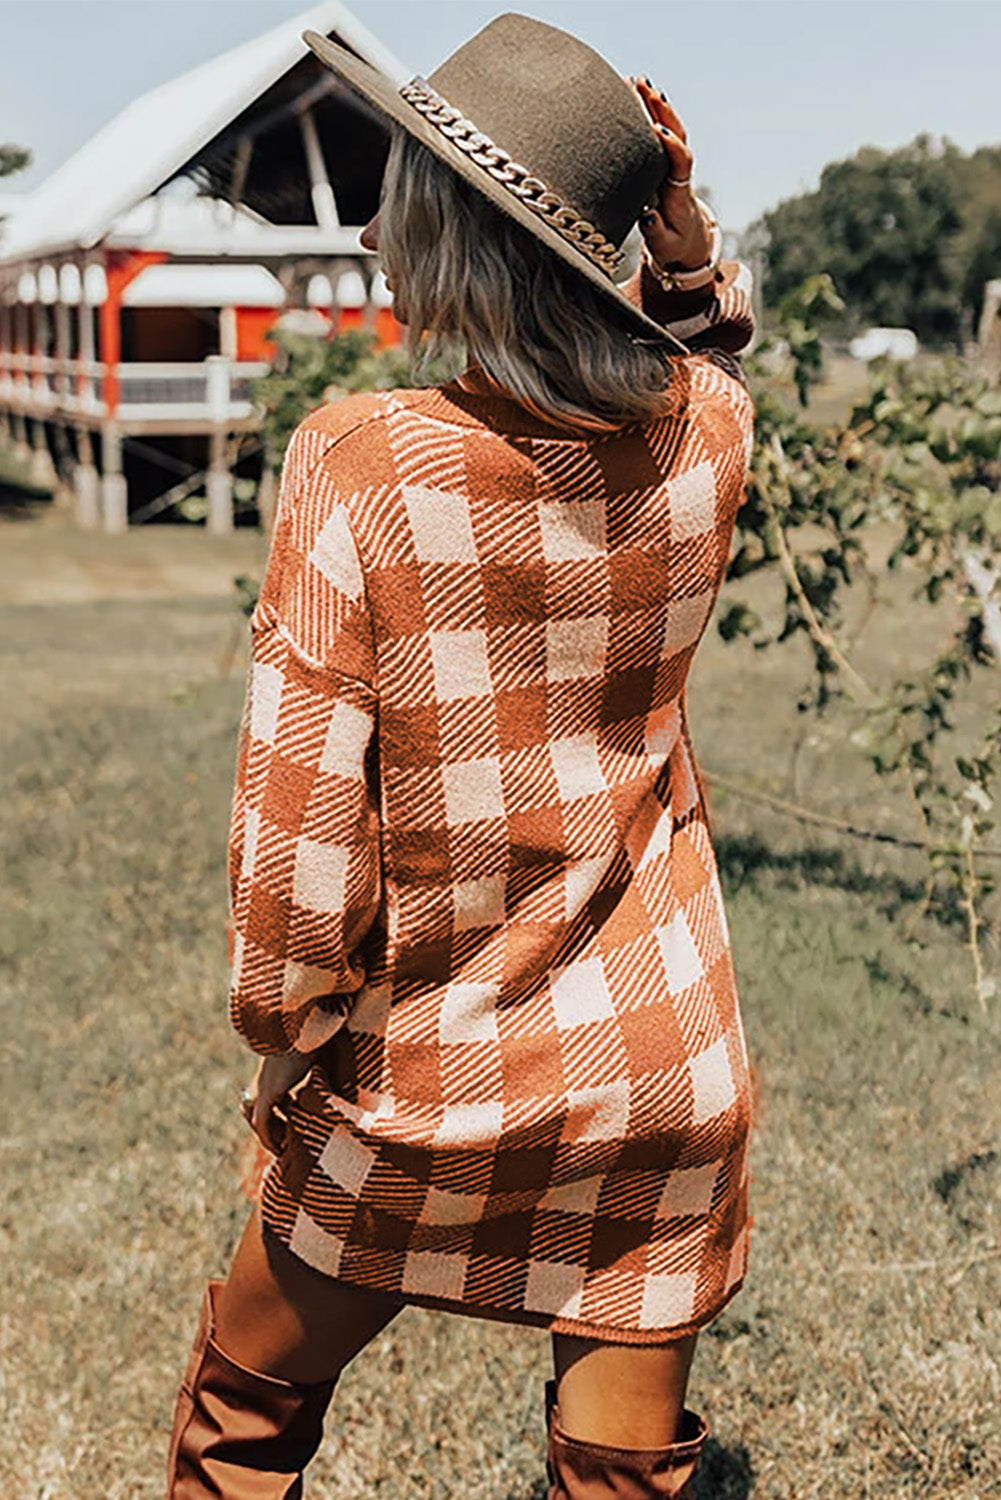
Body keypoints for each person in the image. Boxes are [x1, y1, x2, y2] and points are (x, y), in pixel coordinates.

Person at [165, 14, 756, 1499]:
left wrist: (283, 1043)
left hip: (427, 1079)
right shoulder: (713, 442)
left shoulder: (358, 464)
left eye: (398, 189)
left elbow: (298, 865)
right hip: (658, 1063)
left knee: (244, 1414)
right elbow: (699, 357)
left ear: (448, 230)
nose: (369, 218)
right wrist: (681, 258)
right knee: (618, 1475)